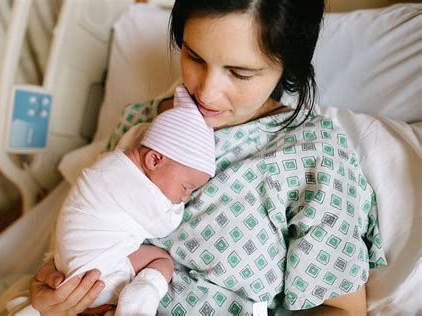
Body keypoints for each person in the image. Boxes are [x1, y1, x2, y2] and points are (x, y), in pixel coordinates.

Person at [30, 1, 387, 315]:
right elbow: (82, 231)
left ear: (288, 68)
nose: (206, 91)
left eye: (239, 72)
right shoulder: (140, 125)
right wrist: (50, 294)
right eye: (194, 57)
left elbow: (341, 309)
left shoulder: (314, 155)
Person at [48, 85, 214, 315]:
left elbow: (136, 134)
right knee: (161, 260)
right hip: (95, 277)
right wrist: (177, 207)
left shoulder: (114, 161)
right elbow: (165, 225)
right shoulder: (138, 190)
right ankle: (139, 299)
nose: (186, 197)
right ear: (154, 160)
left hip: (68, 269)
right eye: (186, 187)